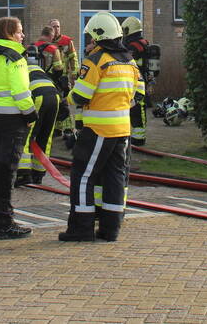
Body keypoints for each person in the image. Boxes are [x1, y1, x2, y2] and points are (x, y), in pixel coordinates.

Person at [59, 12, 144, 242]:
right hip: (122, 130)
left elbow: (81, 95)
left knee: (83, 176)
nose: (90, 41)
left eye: (91, 37)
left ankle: (81, 229)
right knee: (115, 177)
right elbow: (138, 94)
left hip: (98, 130)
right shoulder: (129, 61)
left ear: (98, 36)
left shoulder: (95, 61)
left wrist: (66, 98)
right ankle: (110, 229)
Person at [0, 16, 37, 240]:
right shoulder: (15, 58)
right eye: (19, 31)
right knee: (8, 171)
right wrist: (31, 115)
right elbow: (21, 91)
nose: (23, 35)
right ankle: (5, 223)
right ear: (9, 34)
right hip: (14, 120)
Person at [14, 45, 62, 187]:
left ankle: (23, 173)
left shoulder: (19, 69)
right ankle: (38, 174)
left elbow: (18, 92)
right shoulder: (39, 69)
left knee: (27, 135)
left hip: (38, 97)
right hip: (55, 97)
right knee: (45, 136)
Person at [121, 16, 150, 146]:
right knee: (137, 108)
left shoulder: (133, 46)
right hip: (140, 79)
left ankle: (139, 138)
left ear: (129, 29)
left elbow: (126, 61)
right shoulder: (143, 42)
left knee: (137, 108)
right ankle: (136, 135)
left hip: (136, 81)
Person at [47, 18, 79, 96]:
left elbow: (73, 58)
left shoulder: (67, 41)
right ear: (49, 28)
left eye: (58, 26)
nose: (56, 29)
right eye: (54, 27)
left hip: (63, 76)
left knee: (64, 97)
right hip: (49, 75)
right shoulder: (46, 41)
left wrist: (74, 73)